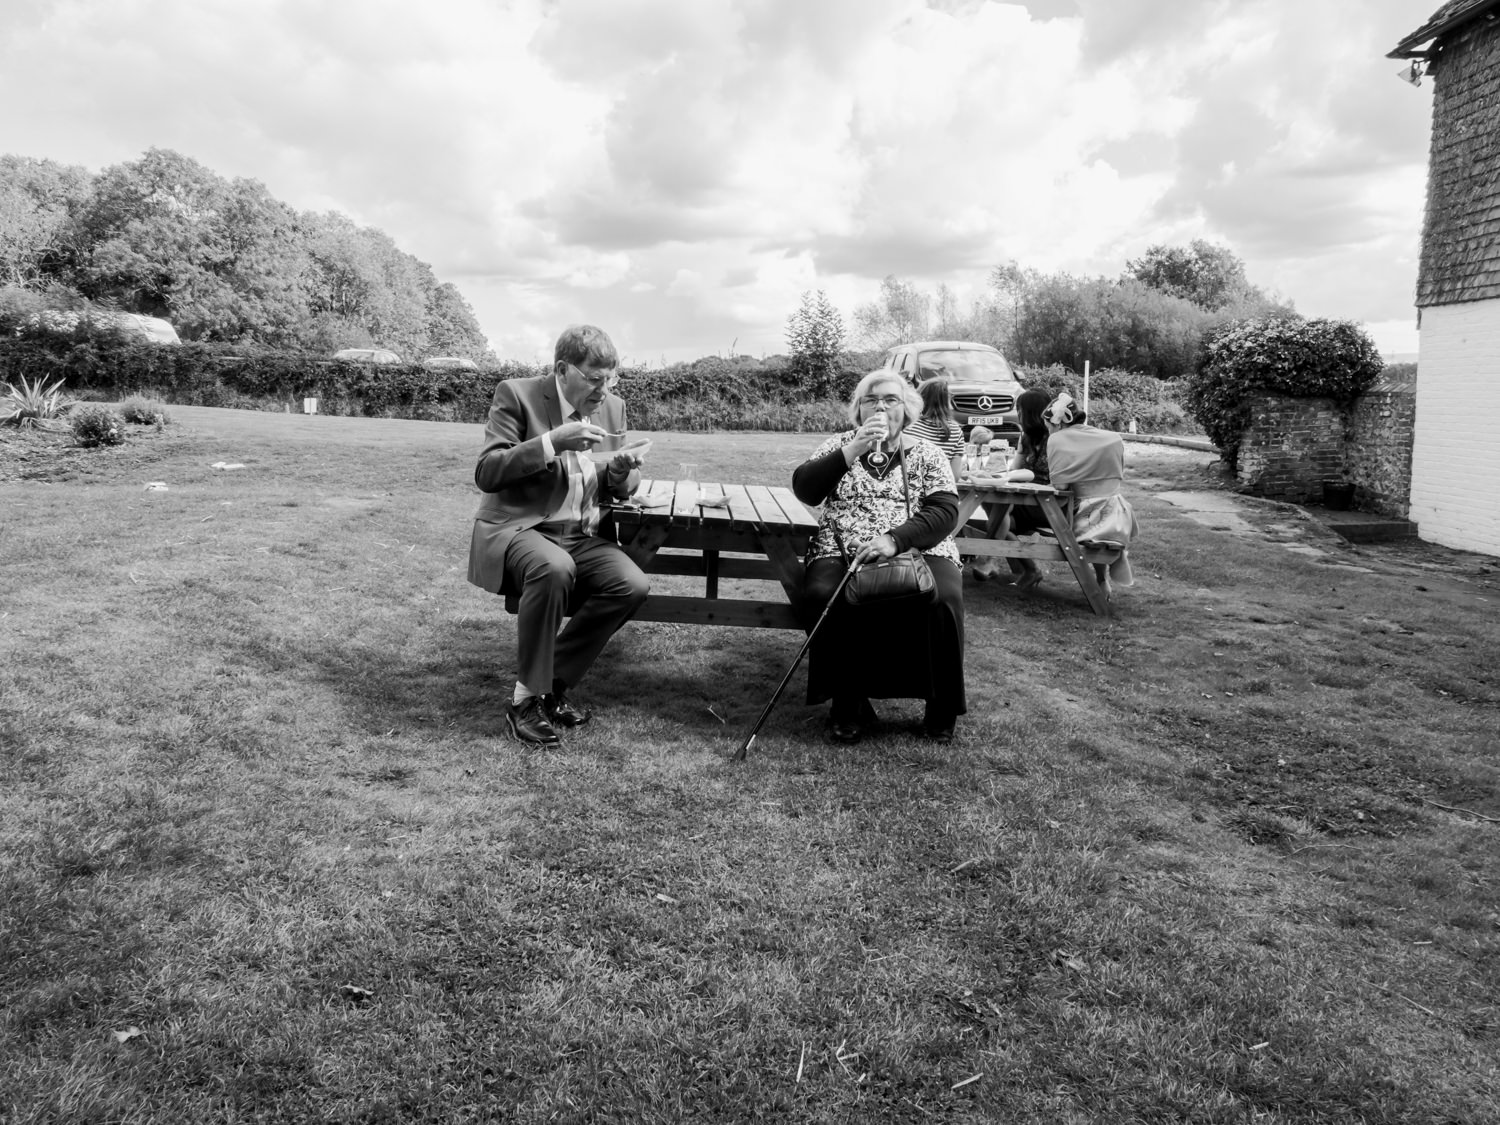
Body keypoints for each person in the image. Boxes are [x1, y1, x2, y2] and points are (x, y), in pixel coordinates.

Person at [467, 325, 650, 746]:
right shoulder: (517, 394)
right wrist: (551, 442)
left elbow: (621, 483)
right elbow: (487, 472)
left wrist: (623, 474)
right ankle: (525, 701)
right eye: (594, 378)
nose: (604, 389)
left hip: (583, 533)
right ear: (563, 370)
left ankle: (551, 685)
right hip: (523, 527)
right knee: (554, 566)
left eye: (612, 378)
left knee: (632, 584)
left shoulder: (612, 407)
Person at [792, 371, 966, 744]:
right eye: (871, 400)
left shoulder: (927, 452)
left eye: (891, 399)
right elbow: (805, 488)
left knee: (944, 598)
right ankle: (848, 703)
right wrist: (853, 449)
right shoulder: (838, 445)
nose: (881, 406)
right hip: (842, 546)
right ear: (858, 409)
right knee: (825, 593)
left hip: (917, 546)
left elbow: (945, 511)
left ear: (907, 409)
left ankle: (941, 709)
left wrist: (894, 540)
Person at [1043, 391, 1138, 598]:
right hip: (1118, 513)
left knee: (1063, 513)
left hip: (1083, 515)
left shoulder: (1058, 440)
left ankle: (1100, 579)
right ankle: (1102, 578)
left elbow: (1059, 486)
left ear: (1056, 423)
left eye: (1048, 426)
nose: (1048, 430)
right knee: (1093, 511)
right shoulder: (1112, 438)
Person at [972, 388, 1052, 587]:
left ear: (1032, 412)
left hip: (1049, 503)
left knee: (999, 510)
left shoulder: (1055, 438)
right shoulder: (1025, 438)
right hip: (1023, 498)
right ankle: (1029, 569)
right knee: (994, 507)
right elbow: (1015, 468)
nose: (1018, 414)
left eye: (1020, 409)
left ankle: (988, 560)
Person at [905, 378, 964, 478]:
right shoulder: (955, 431)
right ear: (947, 402)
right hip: (938, 489)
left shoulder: (908, 425)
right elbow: (955, 477)